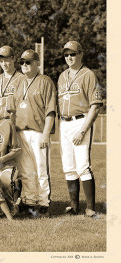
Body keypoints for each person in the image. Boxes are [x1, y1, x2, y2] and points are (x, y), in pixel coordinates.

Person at [57, 41, 104, 218]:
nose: (69, 57)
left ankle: (90, 207)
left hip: (80, 121)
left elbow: (96, 105)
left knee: (83, 165)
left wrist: (83, 130)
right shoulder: (62, 76)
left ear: (81, 54)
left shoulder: (88, 74)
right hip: (64, 122)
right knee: (68, 167)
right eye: (66, 55)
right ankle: (74, 206)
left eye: (73, 54)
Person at [8, 49, 57, 218]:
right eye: (22, 62)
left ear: (37, 63)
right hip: (21, 132)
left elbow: (50, 111)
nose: (24, 65)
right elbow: (12, 111)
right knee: (26, 170)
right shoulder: (19, 82)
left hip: (38, 132)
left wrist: (45, 133)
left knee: (41, 169)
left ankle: (44, 203)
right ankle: (30, 201)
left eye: (28, 62)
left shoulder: (45, 81)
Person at [0, 45, 24, 122]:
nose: (4, 64)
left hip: (14, 122)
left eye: (6, 60)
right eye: (1, 61)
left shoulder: (22, 79)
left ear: (13, 59)